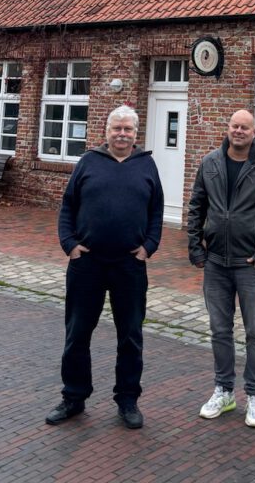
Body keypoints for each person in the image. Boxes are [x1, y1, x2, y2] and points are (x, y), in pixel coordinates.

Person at [45, 104, 164, 429]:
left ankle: (127, 400)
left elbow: (156, 210)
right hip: (88, 264)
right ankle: (73, 396)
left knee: (130, 335)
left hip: (129, 265)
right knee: (77, 333)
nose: (122, 134)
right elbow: (68, 205)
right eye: (117, 129)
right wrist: (69, 244)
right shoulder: (88, 162)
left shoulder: (147, 165)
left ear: (135, 134)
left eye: (127, 129)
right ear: (106, 131)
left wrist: (149, 247)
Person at [187, 109, 255, 428]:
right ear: (228, 128)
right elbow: (196, 206)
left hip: (250, 266)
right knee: (220, 331)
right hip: (216, 263)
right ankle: (224, 391)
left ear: (254, 131)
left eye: (245, 127)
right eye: (235, 126)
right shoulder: (210, 163)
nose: (239, 131)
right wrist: (195, 247)